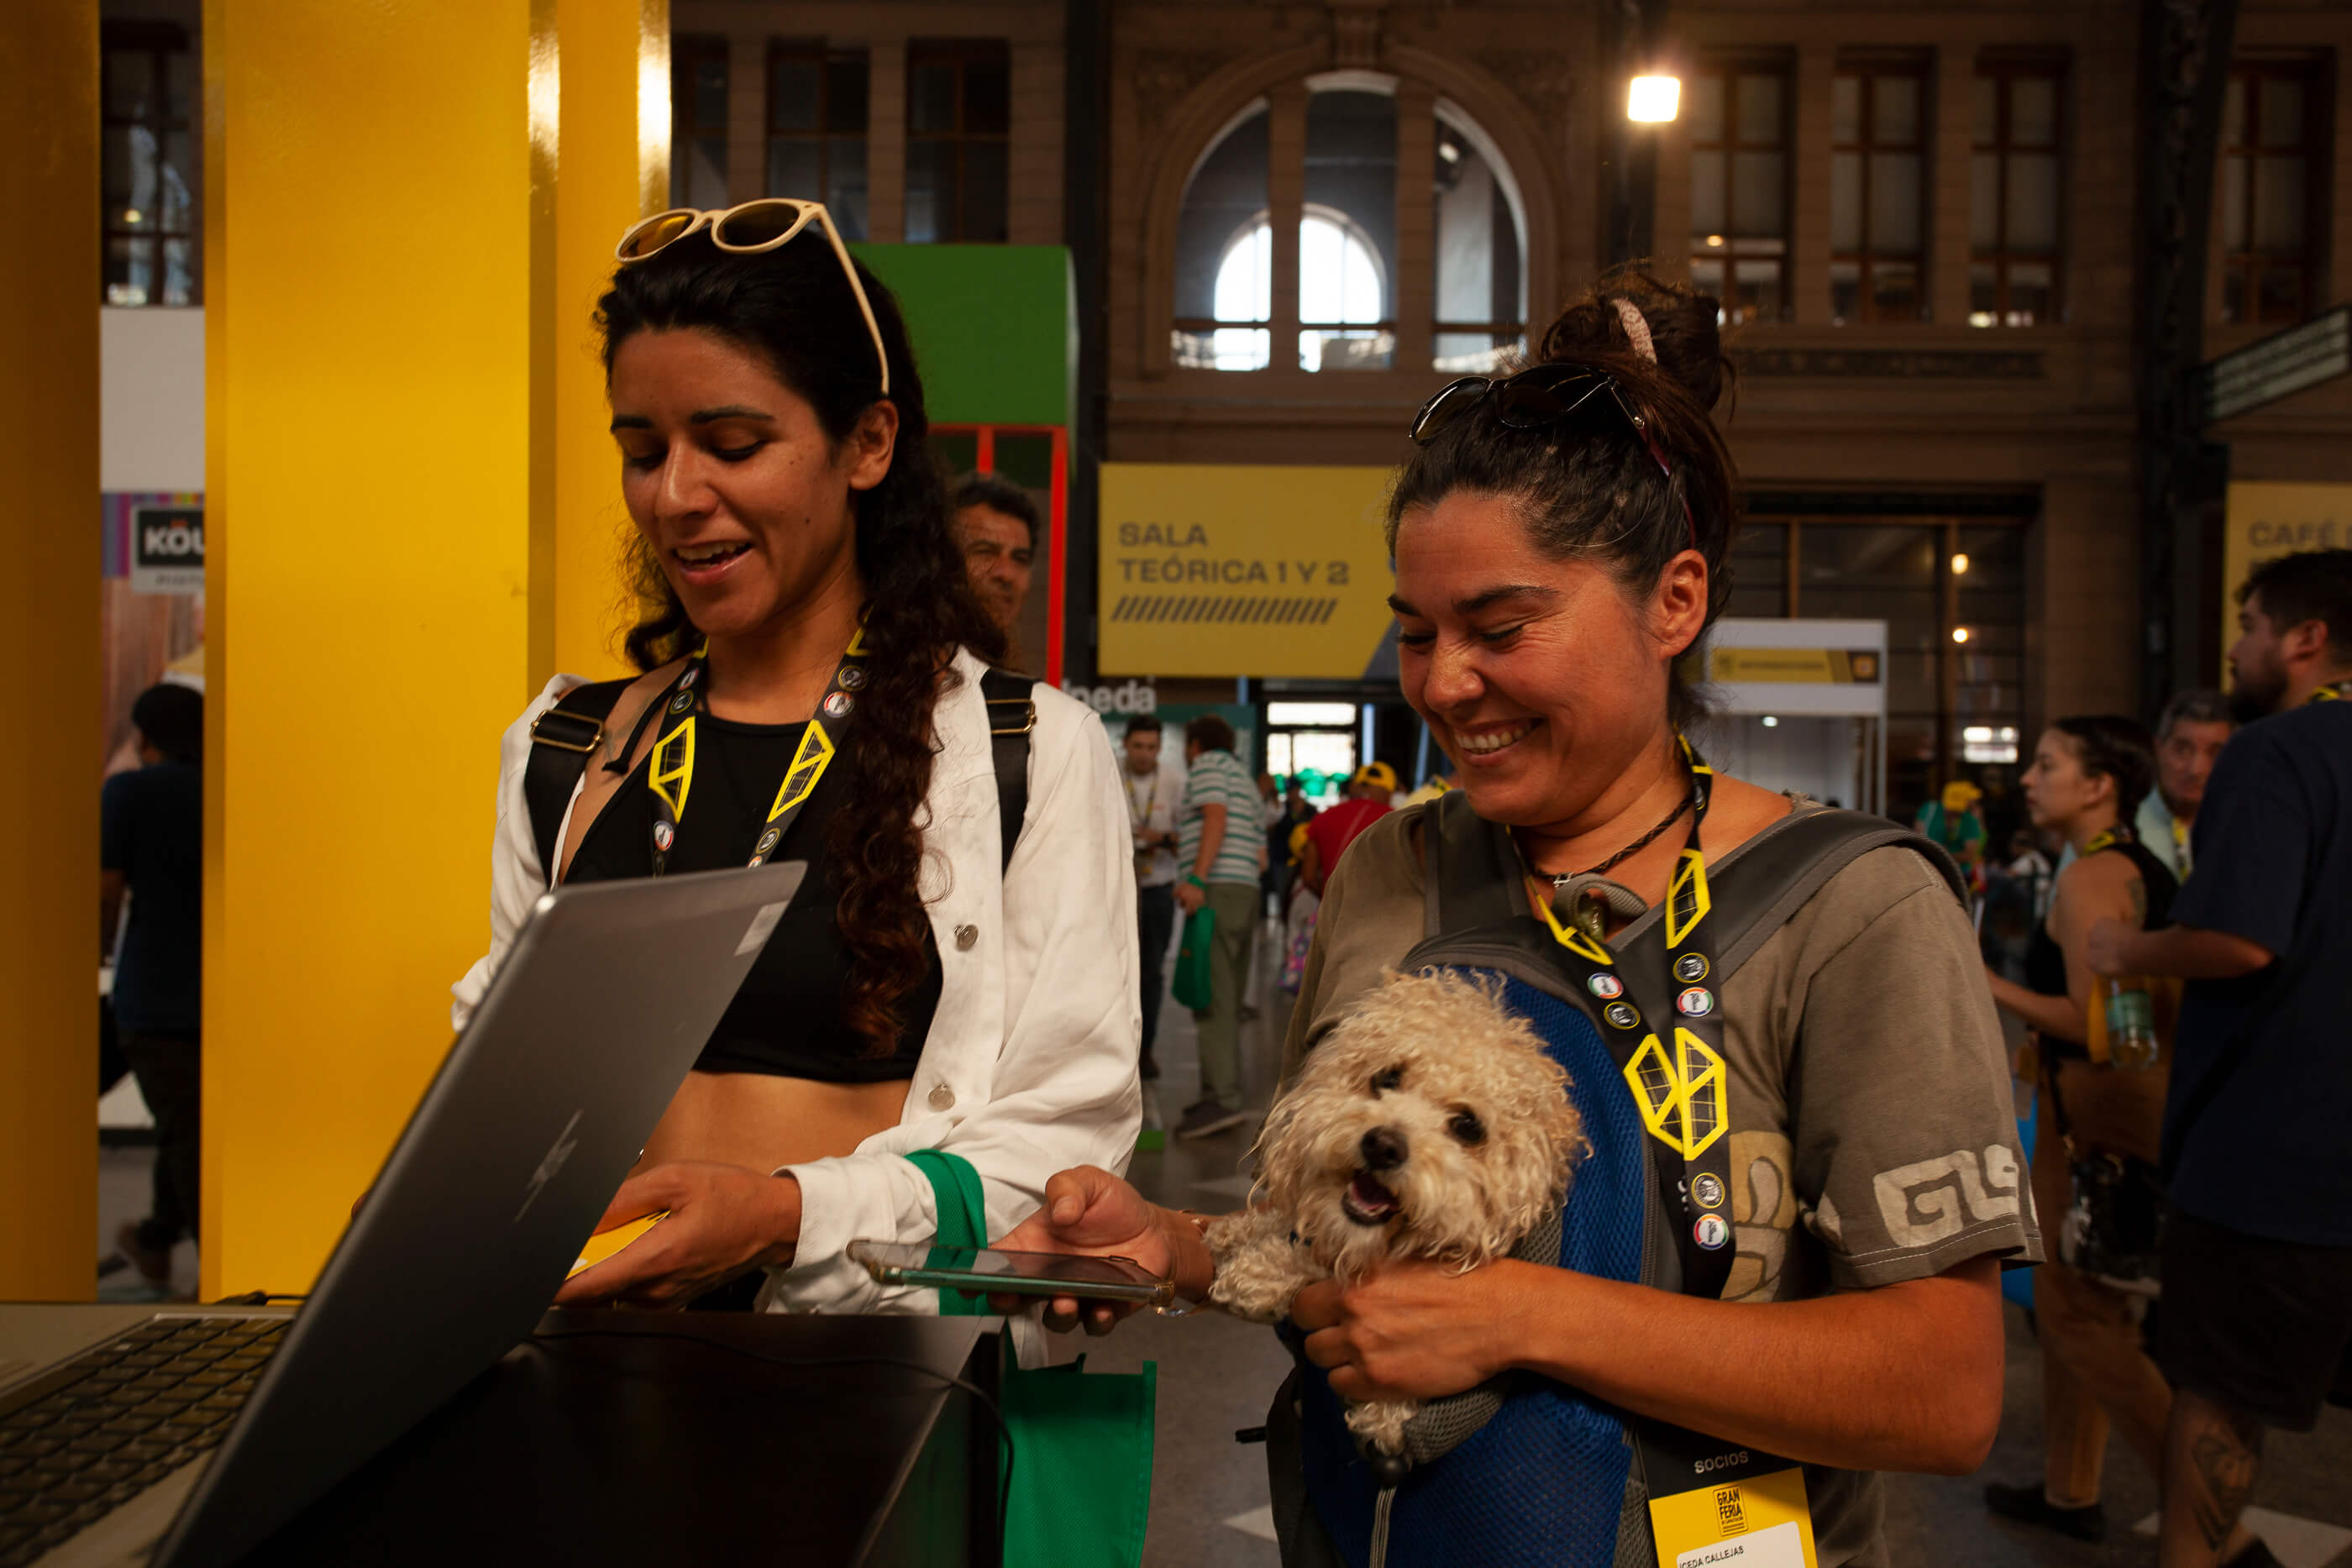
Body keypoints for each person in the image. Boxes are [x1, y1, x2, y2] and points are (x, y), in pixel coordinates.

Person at [995, 269, 2033, 1565]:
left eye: (1500, 626)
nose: (1445, 681)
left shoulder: (1854, 907)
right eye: (1418, 633)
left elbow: (1943, 1390)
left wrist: (1525, 1314)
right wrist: (1167, 1246)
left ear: (1676, 600)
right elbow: (1349, 1229)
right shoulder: (1392, 868)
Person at [450, 198, 1139, 1314]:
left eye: (733, 444)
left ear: (867, 443)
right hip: (599, 1369)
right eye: (643, 451)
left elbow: (1064, 1134)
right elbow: (519, 1113)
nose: (675, 496)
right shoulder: (563, 751)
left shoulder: (1025, 755)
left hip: (874, 1378)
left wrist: (785, 1215)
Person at [2087, 548, 2352, 1568]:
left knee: (2220, 1395)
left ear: (2302, 638)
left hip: (2273, 1155)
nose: (2236, 645)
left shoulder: (2279, 752)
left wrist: (2128, 949)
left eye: (2247, 624)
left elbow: (2240, 937)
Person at [1977, 719, 2242, 1552]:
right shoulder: (2138, 864)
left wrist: (1981, 979)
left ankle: (2208, 1516)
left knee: (2073, 1315)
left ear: (2097, 786)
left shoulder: (2090, 874)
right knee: (2081, 1306)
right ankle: (2069, 1489)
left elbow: (2092, 1028)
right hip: (2130, 1108)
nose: (2028, 778)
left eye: (2047, 764)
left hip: (2093, 1111)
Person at [102, 682, 205, 1290]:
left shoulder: (129, 792)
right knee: (187, 1124)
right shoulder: (220, 791)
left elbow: (108, 885)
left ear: (145, 736)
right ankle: (156, 1237)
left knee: (182, 1133)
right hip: (214, 993)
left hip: (153, 992)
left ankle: (209, 1273)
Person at [1173, 712, 1264, 1140]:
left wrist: (1196, 877)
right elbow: (1261, 854)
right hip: (1244, 892)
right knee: (1226, 994)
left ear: (1195, 746)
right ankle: (1218, 1090)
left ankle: (1223, 1100)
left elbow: (1214, 817)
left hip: (1217, 892)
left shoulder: (1208, 767)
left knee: (1211, 997)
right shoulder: (1245, 780)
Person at [1121, 714, 1184, 1082]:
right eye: (1138, 746)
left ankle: (1146, 1050)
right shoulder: (1111, 775)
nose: (1144, 754)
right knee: (1114, 970)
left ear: (1159, 749)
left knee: (1151, 974)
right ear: (1126, 745)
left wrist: (1157, 838)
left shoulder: (1174, 782)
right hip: (1118, 886)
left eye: (1151, 747)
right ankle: (1117, 1051)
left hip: (1158, 885)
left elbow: (1185, 837)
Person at [2140, 690, 2233, 880]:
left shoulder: (2242, 831)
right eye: (2182, 750)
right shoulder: (2121, 829)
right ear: (2158, 750)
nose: (2196, 769)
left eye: (2215, 754)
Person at [949, 470, 1037, 656]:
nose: (1006, 574)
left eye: (1020, 558)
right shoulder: (899, 671)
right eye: (985, 552)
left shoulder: (1024, 683)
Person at [1296, 761, 1395, 897]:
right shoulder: (1395, 821)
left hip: (1334, 912)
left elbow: (1308, 876)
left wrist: (1329, 900)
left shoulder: (1323, 818)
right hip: (1378, 912)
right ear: (1388, 792)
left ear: (1355, 787)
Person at [1915, 779, 1989, 887]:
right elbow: (1917, 834)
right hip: (1926, 869)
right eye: (1970, 799)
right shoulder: (1929, 810)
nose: (1972, 803)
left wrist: (1941, 855)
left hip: (1957, 875)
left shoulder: (1970, 820)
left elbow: (1970, 854)